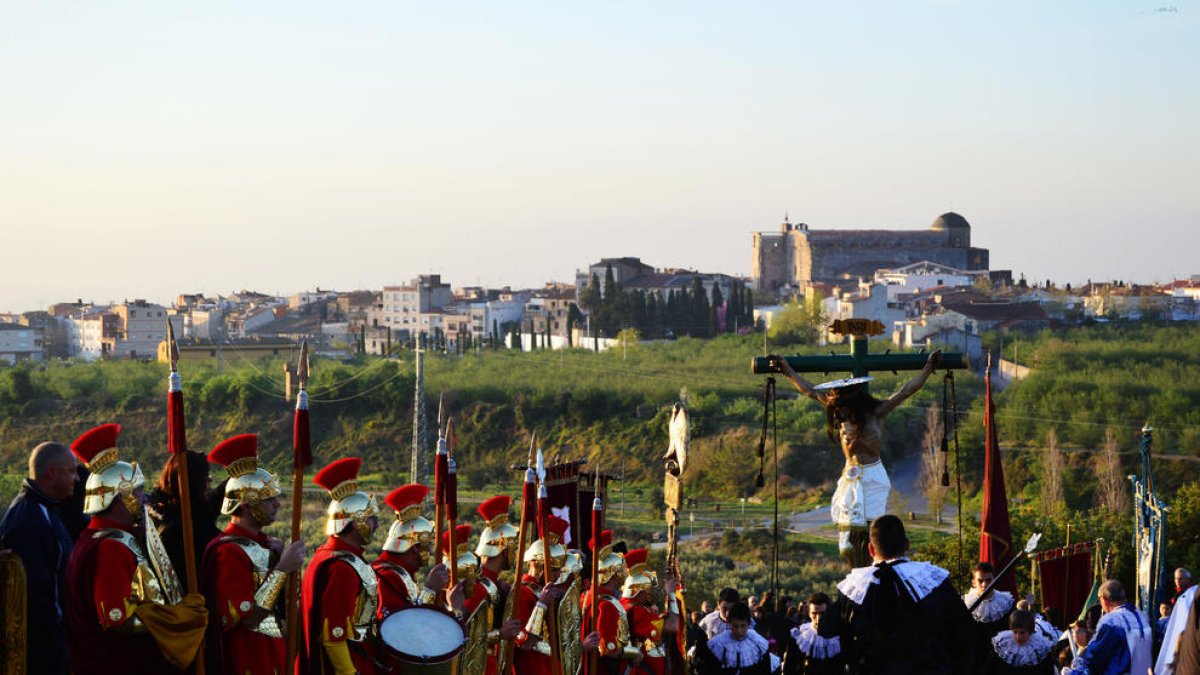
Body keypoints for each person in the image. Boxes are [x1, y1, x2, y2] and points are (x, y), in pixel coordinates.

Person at [772, 350, 942, 565]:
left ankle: (874, 566)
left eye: (840, 405)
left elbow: (907, 390)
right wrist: (787, 371)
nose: (836, 409)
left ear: (853, 403)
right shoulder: (839, 415)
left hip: (872, 475)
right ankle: (855, 570)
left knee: (872, 528)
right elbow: (809, 390)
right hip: (850, 475)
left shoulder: (877, 413)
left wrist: (928, 368)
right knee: (849, 535)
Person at [64, 424, 208, 674]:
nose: (145, 497)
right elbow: (118, 618)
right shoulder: (110, 547)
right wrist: (177, 619)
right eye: (139, 490)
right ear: (121, 497)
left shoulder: (98, 537)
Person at [201, 433, 306, 675]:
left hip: (273, 654)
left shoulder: (263, 545)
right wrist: (282, 569)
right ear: (247, 504)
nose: (277, 504)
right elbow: (247, 618)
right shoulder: (229, 551)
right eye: (269, 499)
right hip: (249, 659)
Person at [836, 514, 974, 674]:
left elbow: (836, 638)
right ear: (907, 544)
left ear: (871, 549)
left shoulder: (852, 589)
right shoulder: (933, 581)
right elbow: (963, 632)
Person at [0, 441, 79, 675]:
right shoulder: (27, 521)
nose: (76, 478)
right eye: (71, 471)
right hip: (42, 653)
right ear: (52, 472)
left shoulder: (48, 510)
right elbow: (37, 598)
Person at [299, 457, 381, 675]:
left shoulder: (331, 555)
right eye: (371, 519)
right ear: (356, 522)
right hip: (353, 661)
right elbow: (334, 635)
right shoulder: (341, 568)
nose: (377, 524)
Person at [371, 484, 449, 618]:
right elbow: (398, 624)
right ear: (415, 548)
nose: (431, 551)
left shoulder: (401, 573)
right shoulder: (389, 577)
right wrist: (429, 591)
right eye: (428, 545)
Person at [147, 449, 221, 581]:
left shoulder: (192, 511)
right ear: (193, 482)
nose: (210, 480)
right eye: (205, 476)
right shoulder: (178, 531)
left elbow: (216, 499)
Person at [1066, 579, 1151, 675]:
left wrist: (1075, 671)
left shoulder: (1111, 621)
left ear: (1104, 600)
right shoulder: (1143, 617)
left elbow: (1094, 661)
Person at [621, 547, 681, 675]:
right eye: (649, 590)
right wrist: (671, 594)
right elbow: (673, 625)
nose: (651, 594)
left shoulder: (626, 605)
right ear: (639, 590)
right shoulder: (636, 611)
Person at [705, 602, 778, 674]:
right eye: (735, 626)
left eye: (743, 626)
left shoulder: (759, 645)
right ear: (729, 623)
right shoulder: (718, 645)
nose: (739, 631)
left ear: (748, 624)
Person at [782, 592, 843, 675]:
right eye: (814, 613)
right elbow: (789, 668)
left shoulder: (837, 637)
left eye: (822, 614)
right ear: (809, 613)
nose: (818, 618)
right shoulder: (799, 636)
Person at [964, 561, 1016, 654]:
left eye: (988, 580)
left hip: (1002, 654)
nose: (985, 585)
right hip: (974, 655)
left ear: (994, 580)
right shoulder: (965, 604)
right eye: (980, 581)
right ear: (973, 582)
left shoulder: (1006, 603)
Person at [982, 609, 1055, 674]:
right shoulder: (1002, 648)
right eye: (1015, 632)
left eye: (1022, 632)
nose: (1018, 637)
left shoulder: (1041, 650)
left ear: (1030, 631)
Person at [1155, 579, 1196, 674]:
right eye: (1162, 608)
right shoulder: (1186, 596)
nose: (1178, 580)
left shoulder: (1187, 597)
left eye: (1167, 608)